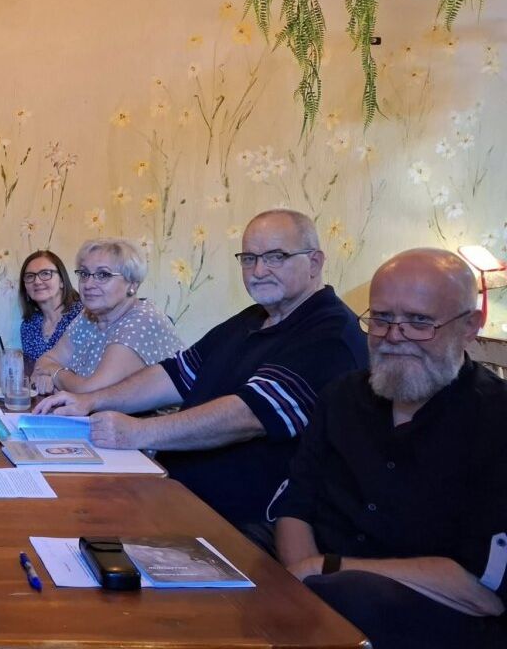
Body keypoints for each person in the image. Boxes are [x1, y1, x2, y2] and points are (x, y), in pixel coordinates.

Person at [35, 209, 367, 531]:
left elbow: (249, 415)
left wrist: (138, 432)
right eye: (249, 258)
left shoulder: (329, 333)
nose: (259, 270)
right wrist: (91, 401)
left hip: (237, 525)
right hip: (174, 491)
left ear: (314, 262)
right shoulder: (252, 319)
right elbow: (174, 374)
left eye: (276, 257)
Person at [270, 248, 507, 649]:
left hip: (435, 620)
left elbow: (482, 593)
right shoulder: (341, 396)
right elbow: (295, 507)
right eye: (380, 318)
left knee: (351, 595)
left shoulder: (496, 422)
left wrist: (326, 570)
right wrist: (302, 583)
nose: (395, 337)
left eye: (419, 321)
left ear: (470, 326)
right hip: (319, 591)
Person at [31, 238, 183, 396]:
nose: (88, 284)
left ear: (132, 284)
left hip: (157, 414)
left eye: (103, 275)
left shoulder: (143, 320)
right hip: (92, 411)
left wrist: (55, 375)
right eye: (84, 274)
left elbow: (91, 392)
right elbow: (45, 361)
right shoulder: (88, 316)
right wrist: (51, 375)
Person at [18, 249, 83, 364]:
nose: (37, 281)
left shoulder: (83, 316)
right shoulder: (28, 326)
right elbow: (31, 368)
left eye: (45, 273)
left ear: (62, 281)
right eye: (30, 276)